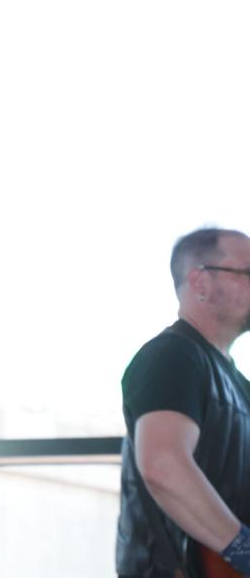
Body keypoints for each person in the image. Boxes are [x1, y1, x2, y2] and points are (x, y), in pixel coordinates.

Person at [117, 227, 250, 577]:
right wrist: (244, 552)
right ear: (201, 283)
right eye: (248, 272)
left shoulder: (238, 385)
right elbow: (163, 465)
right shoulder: (172, 356)